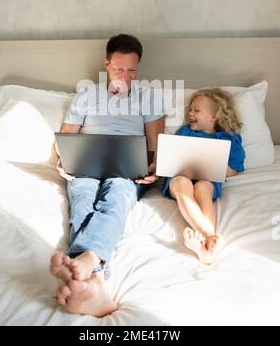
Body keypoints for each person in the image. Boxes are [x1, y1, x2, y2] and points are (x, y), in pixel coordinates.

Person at [50, 34, 165, 316]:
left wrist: (154, 169)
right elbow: (66, 138)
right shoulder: (87, 95)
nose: (125, 77)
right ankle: (94, 279)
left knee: (115, 197)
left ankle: (87, 267)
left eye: (132, 70)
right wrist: (62, 161)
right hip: (86, 166)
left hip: (126, 172)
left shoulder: (148, 97)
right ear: (106, 64)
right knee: (83, 200)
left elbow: (157, 146)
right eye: (119, 69)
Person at [162, 87, 245, 264]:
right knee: (180, 182)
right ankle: (208, 235)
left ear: (214, 117)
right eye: (190, 109)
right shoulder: (185, 131)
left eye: (196, 110)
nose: (190, 113)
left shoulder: (228, 138)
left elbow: (234, 168)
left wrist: (212, 164)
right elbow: (171, 154)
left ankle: (204, 250)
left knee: (203, 187)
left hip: (207, 180)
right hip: (180, 177)